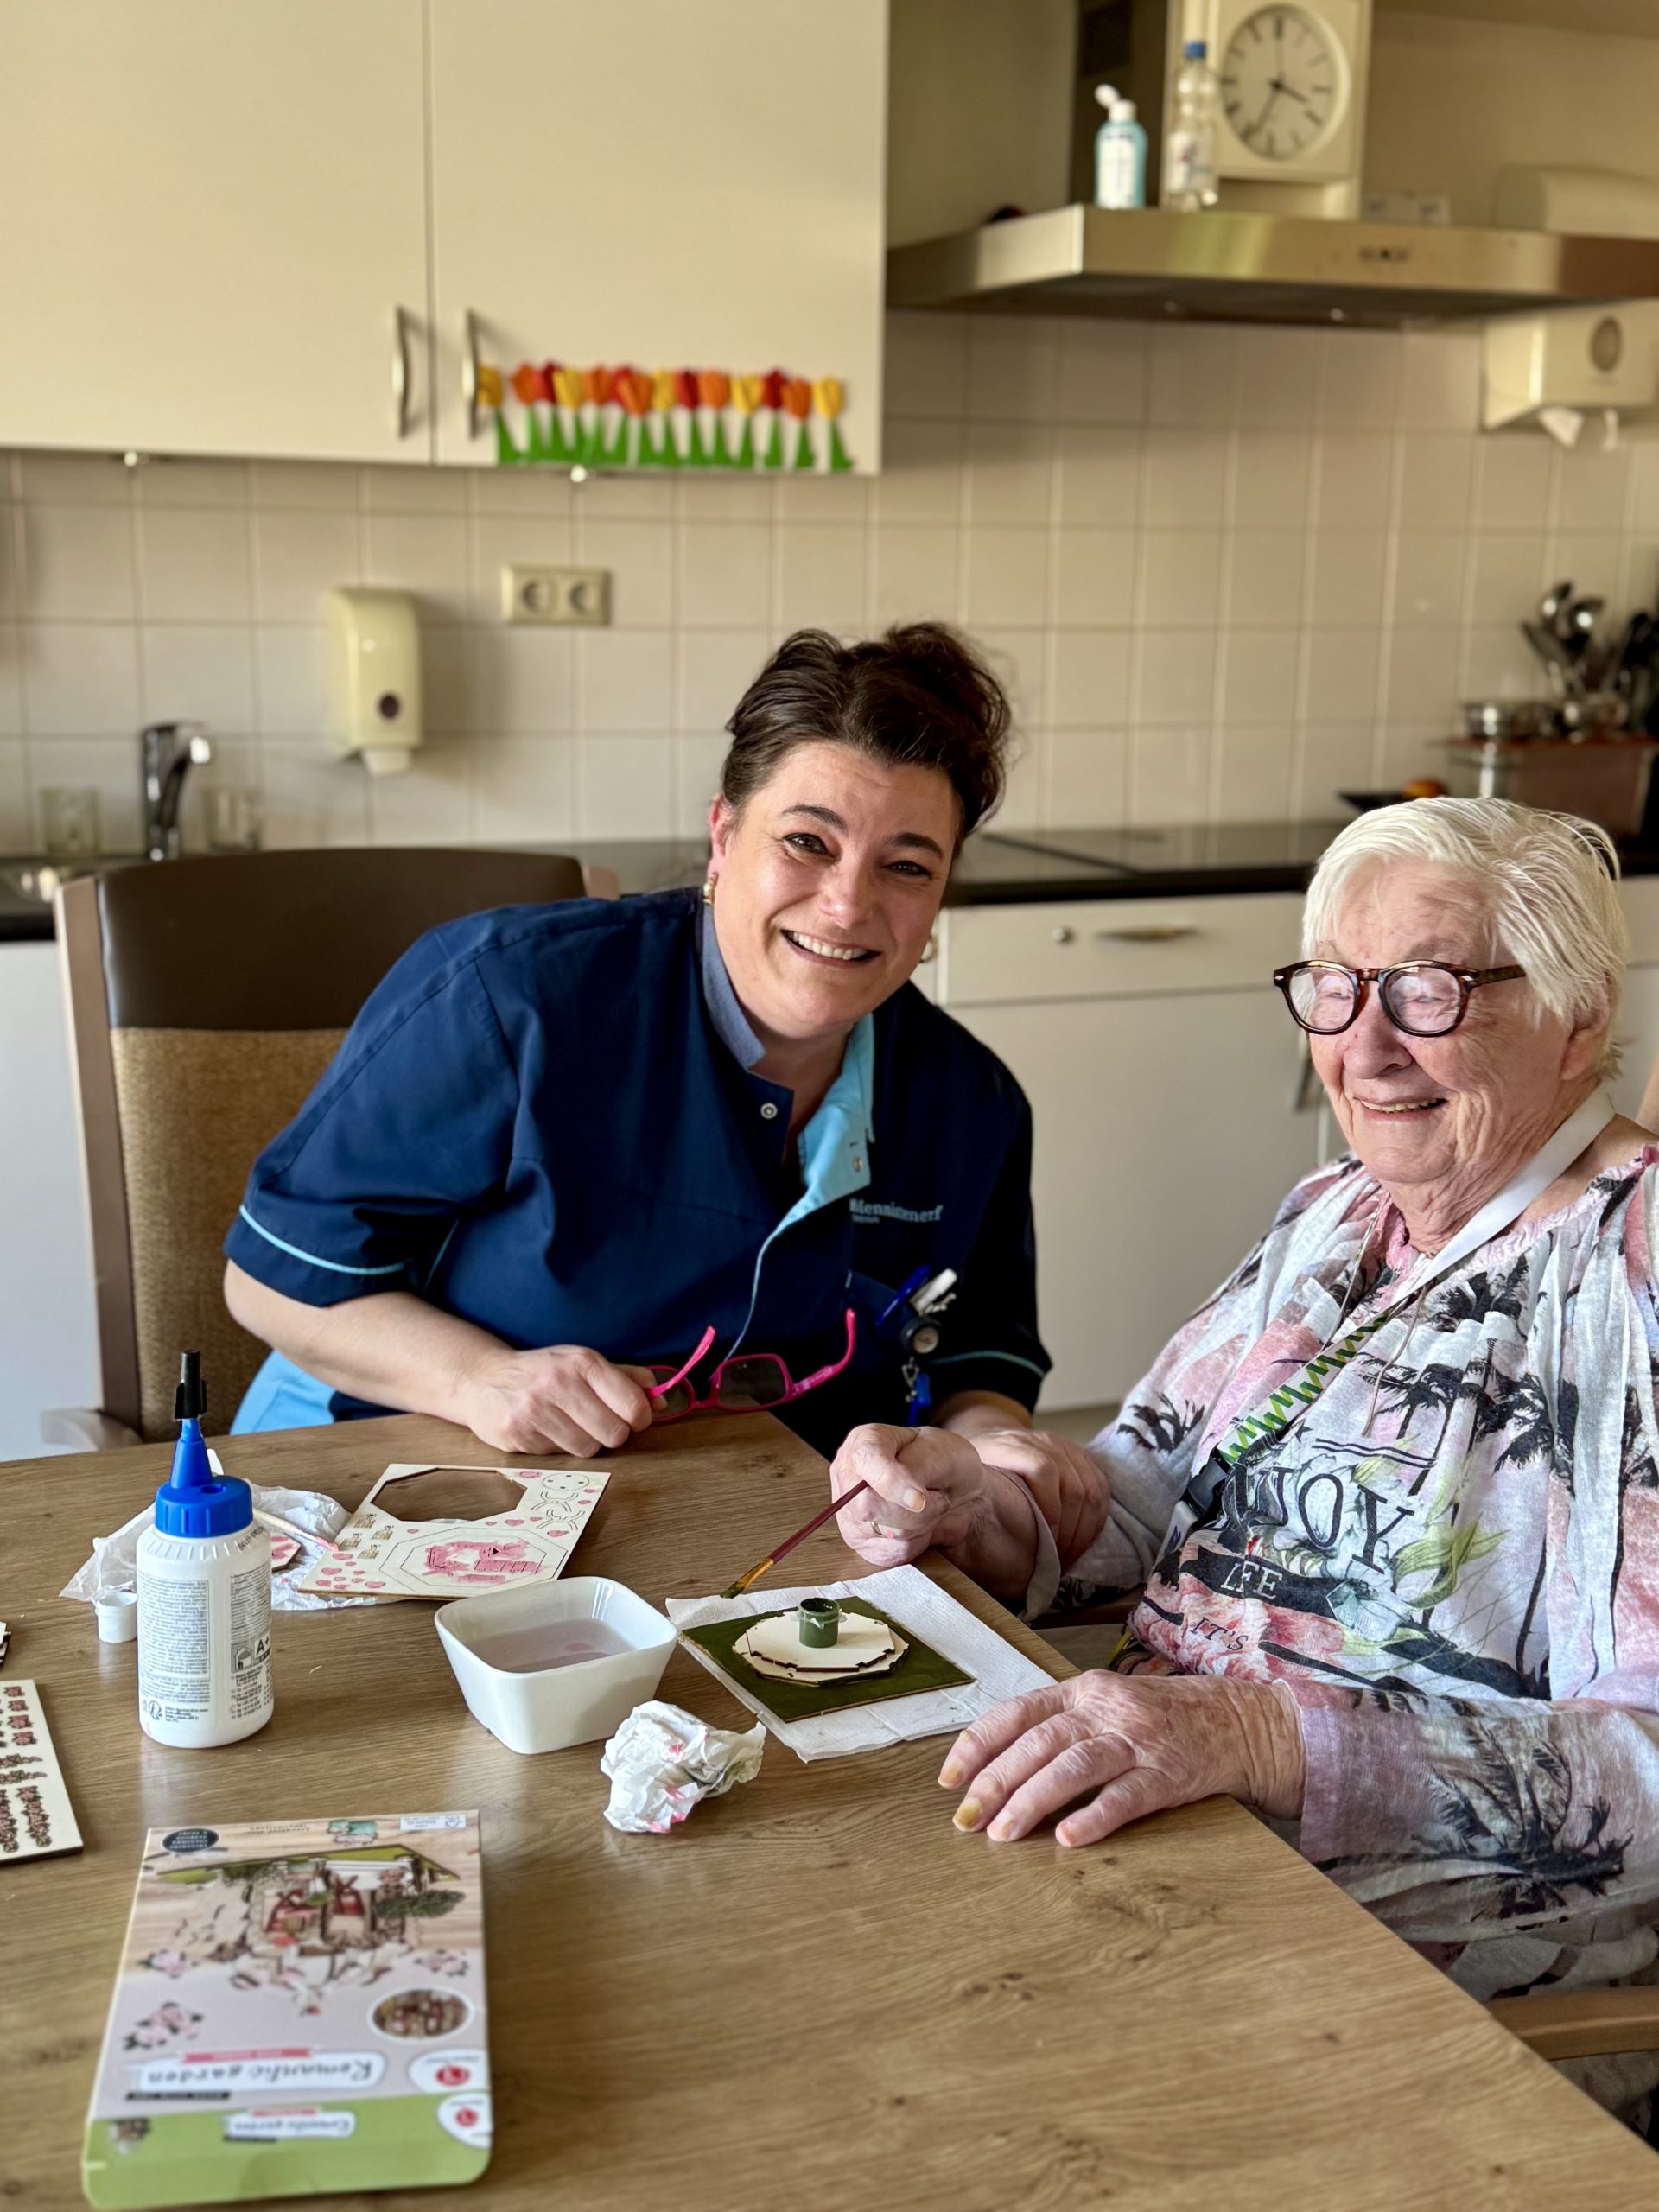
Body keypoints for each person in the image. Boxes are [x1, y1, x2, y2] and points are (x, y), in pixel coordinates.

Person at [833, 796, 1659, 2124]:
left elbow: (1649, 1774)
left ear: (1577, 1015)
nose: (1365, 1048)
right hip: (1159, 1821)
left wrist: (1256, 1733)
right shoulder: (1335, 1213)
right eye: (1333, 989)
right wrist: (977, 1498)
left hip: (1409, 1972)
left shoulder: (1634, 1273)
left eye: (1429, 991)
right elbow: (1138, 1501)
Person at [221, 623, 1105, 1569]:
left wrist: (972, 1459)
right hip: (429, 1483)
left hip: (768, 1536)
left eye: (907, 865)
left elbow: (981, 1363)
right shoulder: (509, 999)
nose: (848, 904)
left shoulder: (971, 1104)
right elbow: (271, 1282)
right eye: (808, 841)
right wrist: (479, 1379)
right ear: (723, 835)